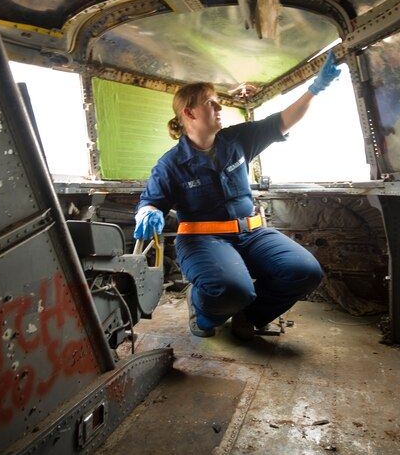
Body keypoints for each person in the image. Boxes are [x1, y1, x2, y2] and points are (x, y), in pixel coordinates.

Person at [133, 52, 342, 340]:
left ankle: (250, 316)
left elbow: (280, 121)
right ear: (189, 113)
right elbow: (151, 201)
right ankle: (203, 311)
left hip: (252, 234)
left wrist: (315, 89)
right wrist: (148, 212)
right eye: (210, 102)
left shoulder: (236, 140)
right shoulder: (170, 164)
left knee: (306, 272)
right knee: (233, 290)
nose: (219, 106)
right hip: (203, 240)